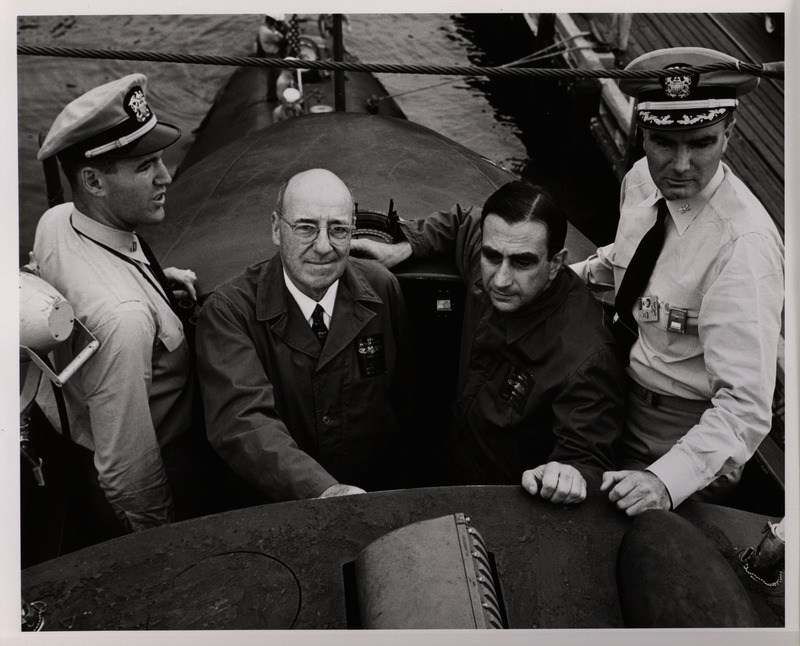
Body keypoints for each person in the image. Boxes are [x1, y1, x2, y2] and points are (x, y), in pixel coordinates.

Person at [571, 47, 784, 515]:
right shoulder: (641, 184)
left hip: (683, 430)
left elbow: (744, 409)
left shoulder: (743, 247)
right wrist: (561, 281)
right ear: (642, 134)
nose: (681, 165)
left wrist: (664, 482)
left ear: (728, 135)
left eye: (702, 142)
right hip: (616, 387)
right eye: (664, 142)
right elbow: (624, 262)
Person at [352, 181, 623, 505]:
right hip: (452, 459)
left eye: (523, 263)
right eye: (492, 256)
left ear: (556, 263)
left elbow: (587, 463)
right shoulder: (490, 264)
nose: (501, 280)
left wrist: (567, 475)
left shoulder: (585, 359)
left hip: (502, 505)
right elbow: (464, 222)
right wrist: (406, 246)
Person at [32, 73, 211, 534]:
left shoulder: (56, 222)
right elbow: (129, 470)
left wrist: (155, 280)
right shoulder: (126, 320)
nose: (166, 177)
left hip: (73, 430)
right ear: (92, 180)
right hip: (162, 466)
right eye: (144, 166)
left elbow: (82, 281)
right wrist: (158, 541)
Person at [195, 169, 412, 502]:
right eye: (306, 227)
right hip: (277, 508)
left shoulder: (382, 287)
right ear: (276, 229)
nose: (323, 246)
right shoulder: (230, 312)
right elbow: (243, 421)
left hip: (370, 497)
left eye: (338, 229)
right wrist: (321, 489)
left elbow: (401, 396)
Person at [255, 14, 287, 103]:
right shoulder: (267, 32)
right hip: (273, 54)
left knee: (272, 76)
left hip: (269, 54)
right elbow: (280, 39)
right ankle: (280, 97)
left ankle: (271, 95)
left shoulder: (263, 28)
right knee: (279, 76)